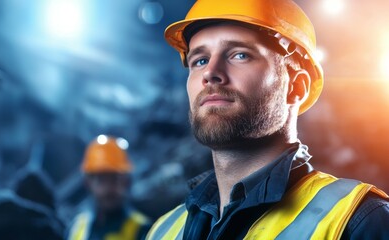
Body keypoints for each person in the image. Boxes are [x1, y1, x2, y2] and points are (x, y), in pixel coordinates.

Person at [146, 0, 389, 239]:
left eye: (240, 55)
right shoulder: (164, 230)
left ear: (295, 87)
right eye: (200, 60)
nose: (210, 73)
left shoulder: (358, 221)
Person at [68, 135, 151, 240]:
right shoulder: (77, 228)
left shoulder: (143, 231)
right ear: (88, 183)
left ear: (127, 182)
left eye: (114, 179)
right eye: (101, 180)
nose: (109, 187)